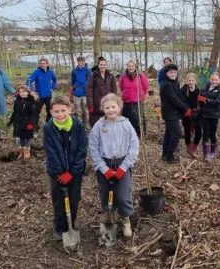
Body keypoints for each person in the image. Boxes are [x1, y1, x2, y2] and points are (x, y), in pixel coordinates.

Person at [89, 93, 139, 237]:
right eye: (107, 108)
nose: (110, 110)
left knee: (123, 195)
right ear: (102, 109)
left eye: (113, 107)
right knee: (106, 193)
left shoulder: (126, 123)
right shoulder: (99, 125)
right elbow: (93, 147)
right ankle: (109, 218)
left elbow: (134, 145)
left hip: (122, 163)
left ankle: (126, 220)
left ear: (119, 107)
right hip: (105, 163)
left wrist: (124, 167)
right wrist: (103, 168)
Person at [43, 96, 87, 241]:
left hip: (75, 172)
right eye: (56, 112)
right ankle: (59, 226)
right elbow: (51, 152)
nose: (60, 114)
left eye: (63, 110)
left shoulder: (78, 125)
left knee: (74, 199)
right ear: (51, 112)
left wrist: (73, 172)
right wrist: (61, 172)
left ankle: (71, 224)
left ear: (70, 109)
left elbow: (81, 151)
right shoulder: (49, 128)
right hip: (57, 173)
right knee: (58, 200)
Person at [160, 63, 190, 163]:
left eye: (175, 72)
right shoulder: (166, 84)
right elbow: (174, 99)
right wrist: (184, 109)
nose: (173, 74)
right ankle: (169, 156)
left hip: (173, 112)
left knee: (169, 134)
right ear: (166, 73)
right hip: (169, 113)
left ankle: (165, 154)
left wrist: (185, 106)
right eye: (171, 72)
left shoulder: (173, 82)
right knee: (177, 134)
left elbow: (179, 96)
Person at [199, 72, 220, 161]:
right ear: (210, 79)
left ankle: (213, 151)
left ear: (219, 80)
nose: (213, 81)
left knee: (212, 133)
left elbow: (217, 102)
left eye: (216, 80)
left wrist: (205, 99)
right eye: (212, 79)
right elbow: (198, 99)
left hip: (214, 115)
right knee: (205, 133)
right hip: (204, 114)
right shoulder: (203, 88)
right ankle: (206, 154)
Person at [27, 58, 58, 136]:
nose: (42, 65)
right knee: (35, 113)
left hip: (48, 96)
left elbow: (55, 80)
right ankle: (35, 129)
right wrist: (31, 91)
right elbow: (29, 80)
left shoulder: (50, 72)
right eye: (41, 63)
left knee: (50, 112)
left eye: (44, 63)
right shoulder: (37, 72)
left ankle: (48, 127)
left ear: (47, 64)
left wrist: (52, 87)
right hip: (39, 97)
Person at [119, 59, 149, 139]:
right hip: (127, 101)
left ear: (135, 67)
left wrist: (141, 95)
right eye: (129, 66)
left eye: (132, 66)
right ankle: (128, 134)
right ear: (127, 67)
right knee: (127, 118)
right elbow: (121, 87)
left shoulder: (141, 75)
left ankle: (139, 135)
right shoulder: (123, 76)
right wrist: (126, 94)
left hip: (137, 101)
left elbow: (145, 86)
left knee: (138, 119)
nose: (131, 68)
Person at [86, 57, 117, 127]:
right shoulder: (93, 76)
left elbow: (114, 91)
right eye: (101, 65)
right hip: (96, 106)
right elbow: (89, 92)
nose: (103, 66)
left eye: (104, 65)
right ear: (98, 65)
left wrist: (115, 103)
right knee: (97, 125)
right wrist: (90, 106)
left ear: (106, 65)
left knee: (109, 125)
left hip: (108, 105)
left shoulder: (111, 76)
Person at [8, 85, 36, 160]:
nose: (22, 93)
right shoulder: (17, 101)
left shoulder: (31, 102)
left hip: (27, 123)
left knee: (27, 138)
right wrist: (11, 120)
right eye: (20, 92)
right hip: (19, 123)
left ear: (27, 92)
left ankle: (27, 152)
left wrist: (31, 123)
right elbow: (15, 112)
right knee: (20, 138)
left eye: (24, 92)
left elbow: (33, 115)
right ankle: (21, 152)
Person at [181, 73, 202, 158]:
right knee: (187, 131)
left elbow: (200, 101)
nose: (191, 82)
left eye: (192, 80)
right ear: (187, 81)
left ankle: (193, 147)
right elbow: (182, 100)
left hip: (196, 113)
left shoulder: (198, 90)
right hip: (186, 112)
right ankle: (189, 147)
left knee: (199, 132)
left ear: (195, 81)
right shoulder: (183, 90)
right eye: (189, 80)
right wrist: (187, 109)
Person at [70, 56, 92, 126]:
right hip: (76, 93)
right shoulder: (74, 71)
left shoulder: (88, 70)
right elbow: (72, 82)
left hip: (85, 94)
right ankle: (78, 125)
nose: (81, 63)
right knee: (77, 111)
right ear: (78, 62)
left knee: (85, 111)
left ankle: (86, 125)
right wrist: (71, 92)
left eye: (83, 61)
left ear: (84, 62)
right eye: (80, 61)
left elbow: (91, 81)